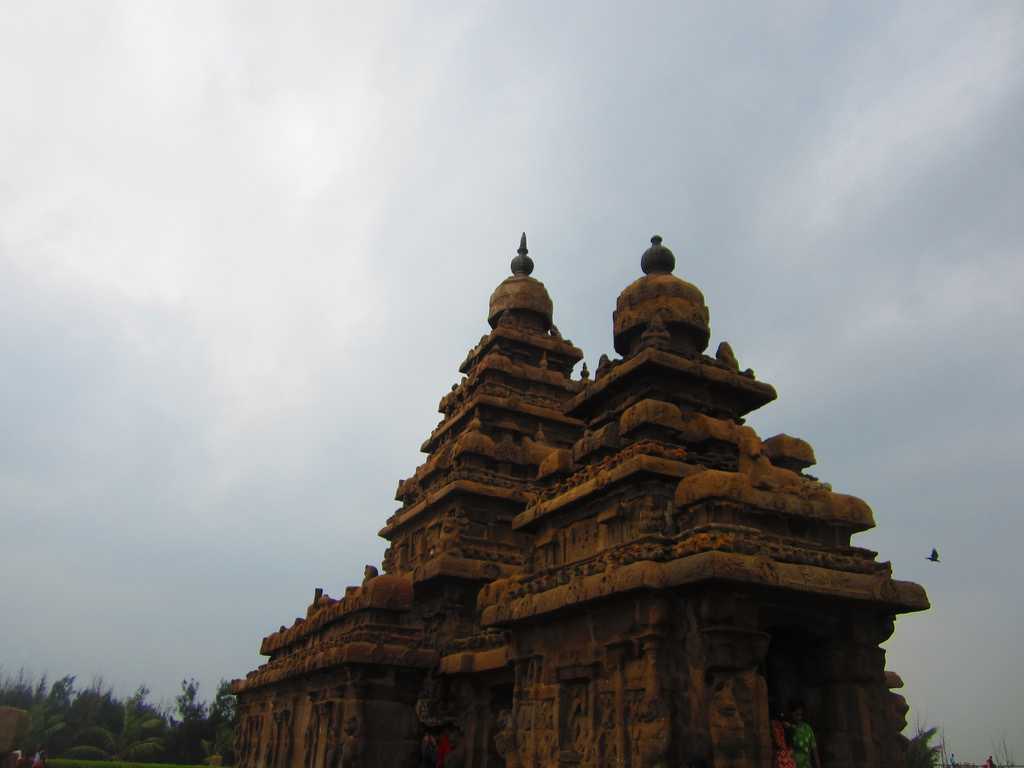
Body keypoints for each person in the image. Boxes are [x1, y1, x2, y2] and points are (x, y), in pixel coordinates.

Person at [788, 702, 820, 768]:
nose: (799, 718)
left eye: (801, 715)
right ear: (791, 714)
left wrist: (818, 766)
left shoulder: (807, 729)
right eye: (796, 715)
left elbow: (814, 750)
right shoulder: (788, 729)